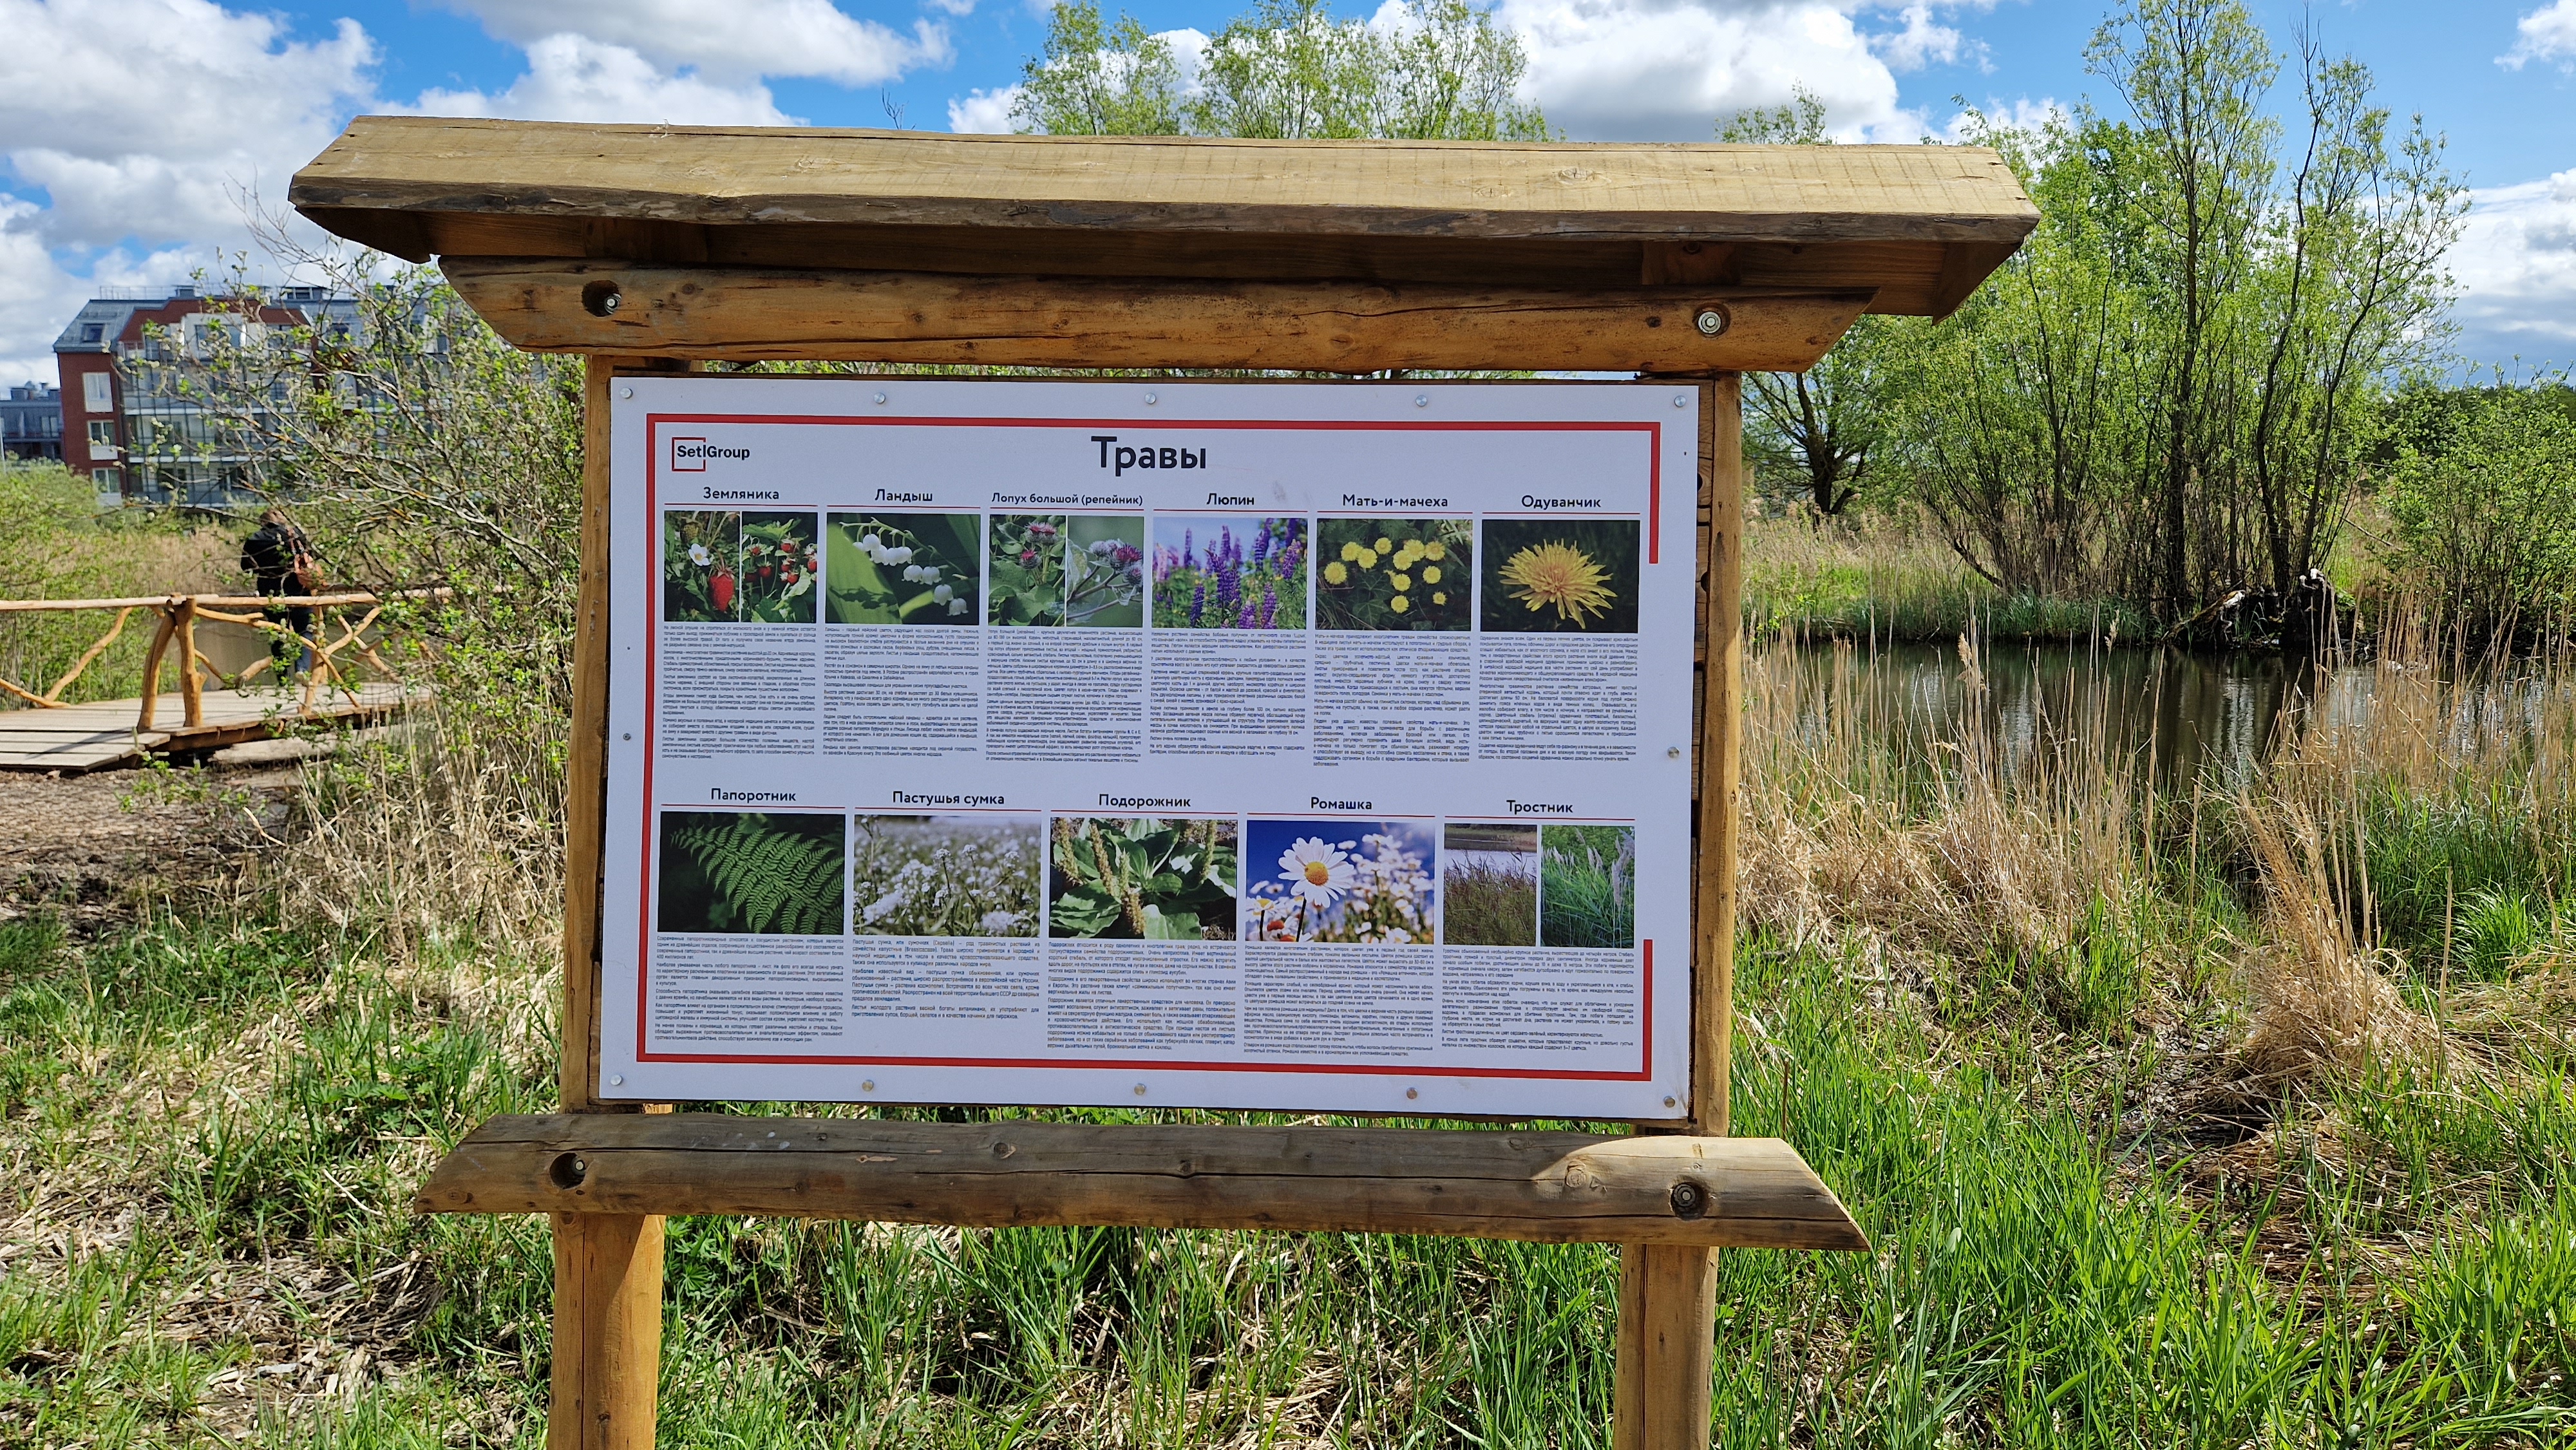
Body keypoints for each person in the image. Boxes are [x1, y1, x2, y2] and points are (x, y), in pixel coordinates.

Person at [240, 507, 322, 674]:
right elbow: (310, 557)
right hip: (298, 589)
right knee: (305, 630)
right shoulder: (295, 534)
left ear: (263, 522)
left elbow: (246, 567)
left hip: (269, 590)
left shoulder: (255, 539)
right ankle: (302, 669)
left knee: (276, 632)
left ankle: (283, 678)